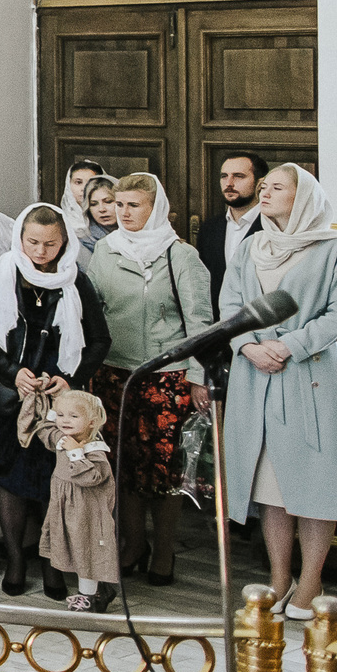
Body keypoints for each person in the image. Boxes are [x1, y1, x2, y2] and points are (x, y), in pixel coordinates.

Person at [0, 204, 108, 600]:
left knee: (56, 483)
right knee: (9, 479)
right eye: (32, 242)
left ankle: (52, 564)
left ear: (64, 242)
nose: (41, 251)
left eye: (51, 244)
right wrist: (12, 371)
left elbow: (100, 340)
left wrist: (72, 379)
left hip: (58, 401)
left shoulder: (75, 279)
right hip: (9, 392)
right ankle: (15, 558)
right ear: (18, 238)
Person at [82, 172, 213, 587]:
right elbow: (94, 312)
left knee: (164, 469)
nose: (123, 213)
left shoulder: (182, 256)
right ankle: (133, 543)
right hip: (114, 373)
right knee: (123, 465)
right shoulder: (105, 249)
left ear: (156, 208)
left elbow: (200, 323)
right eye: (118, 205)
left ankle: (164, 549)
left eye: (133, 205)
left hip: (166, 375)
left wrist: (197, 376)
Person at [223, 164, 337, 619]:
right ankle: (278, 577)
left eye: (276, 187)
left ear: (304, 196)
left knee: (312, 483)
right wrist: (246, 344)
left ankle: (311, 581)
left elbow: (334, 314)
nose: (265, 193)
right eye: (263, 186)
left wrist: (289, 344)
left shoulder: (330, 248)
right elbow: (229, 304)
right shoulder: (252, 245)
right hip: (256, 376)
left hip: (308, 377)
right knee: (269, 484)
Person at [26, 388, 119, 613]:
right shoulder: (64, 437)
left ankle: (88, 596)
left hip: (86, 510)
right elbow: (45, 430)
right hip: (66, 507)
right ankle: (98, 590)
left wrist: (76, 453)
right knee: (73, 548)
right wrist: (54, 409)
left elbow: (92, 477)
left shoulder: (93, 450)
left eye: (74, 416)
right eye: (61, 415)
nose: (64, 421)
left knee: (86, 549)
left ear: (91, 422)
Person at [198, 151, 270, 299]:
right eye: (224, 176)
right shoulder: (209, 229)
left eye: (239, 176)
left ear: (260, 183)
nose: (229, 183)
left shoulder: (273, 227)